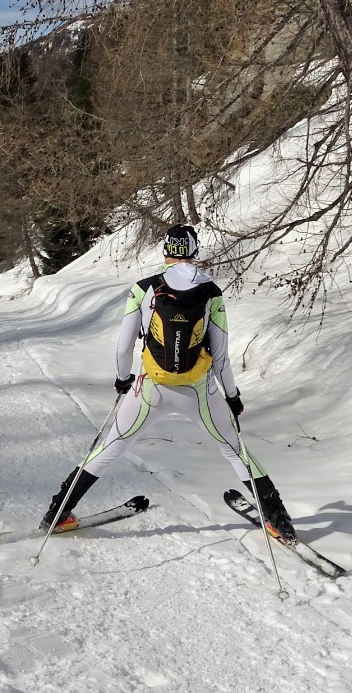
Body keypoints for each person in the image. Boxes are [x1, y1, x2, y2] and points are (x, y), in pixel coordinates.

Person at [39, 224, 298, 541]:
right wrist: (232, 396)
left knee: (111, 448)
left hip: (150, 388)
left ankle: (58, 512)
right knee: (234, 451)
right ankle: (278, 521)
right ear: (194, 253)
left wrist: (123, 380)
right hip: (198, 391)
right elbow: (221, 358)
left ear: (165, 252)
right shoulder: (211, 293)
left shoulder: (143, 288)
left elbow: (123, 347)